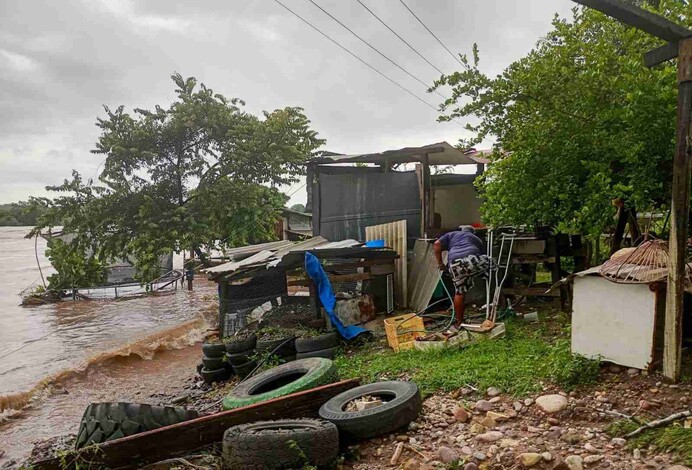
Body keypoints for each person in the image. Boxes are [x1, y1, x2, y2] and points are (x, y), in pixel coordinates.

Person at [434, 225, 494, 326]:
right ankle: (498, 297)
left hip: (455, 264)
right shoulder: (476, 239)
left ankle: (460, 322)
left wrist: (440, 263)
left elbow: (436, 244)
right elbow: (481, 255)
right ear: (472, 233)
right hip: (471, 261)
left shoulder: (452, 234)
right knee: (493, 265)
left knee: (459, 293)